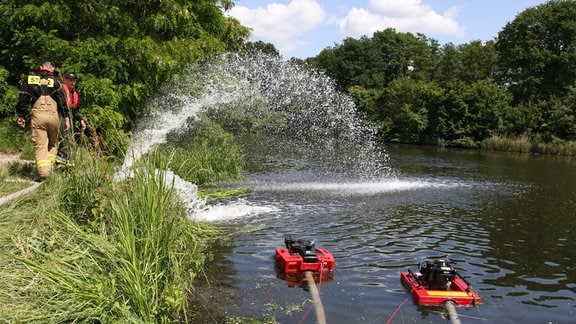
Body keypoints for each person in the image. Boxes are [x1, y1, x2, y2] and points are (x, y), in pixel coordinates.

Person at [16, 60, 70, 181]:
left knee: (40, 145)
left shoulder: (30, 79)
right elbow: (62, 101)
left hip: (38, 115)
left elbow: (23, 98)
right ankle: (49, 170)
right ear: (53, 69)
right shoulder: (56, 81)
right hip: (54, 116)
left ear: (40, 67)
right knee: (52, 144)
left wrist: (21, 115)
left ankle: (44, 174)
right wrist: (66, 118)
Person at [56, 72, 86, 165]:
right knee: (66, 139)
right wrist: (66, 119)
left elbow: (76, 111)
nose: (73, 82)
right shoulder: (61, 91)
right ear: (65, 80)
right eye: (70, 80)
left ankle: (65, 160)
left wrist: (81, 120)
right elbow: (62, 106)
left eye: (74, 80)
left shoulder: (75, 95)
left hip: (68, 119)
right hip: (60, 116)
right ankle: (61, 161)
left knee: (69, 140)